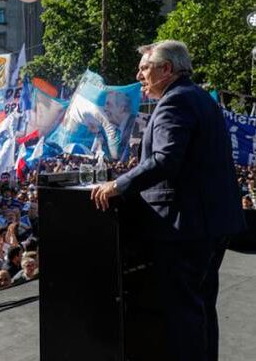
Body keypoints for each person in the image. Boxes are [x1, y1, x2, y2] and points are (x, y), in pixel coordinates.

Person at [92, 40, 247, 361]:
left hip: (184, 226)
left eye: (145, 68)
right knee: (202, 306)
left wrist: (118, 185)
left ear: (167, 69)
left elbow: (165, 159)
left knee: (183, 313)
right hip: (210, 222)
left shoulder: (175, 103)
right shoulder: (200, 97)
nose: (139, 75)